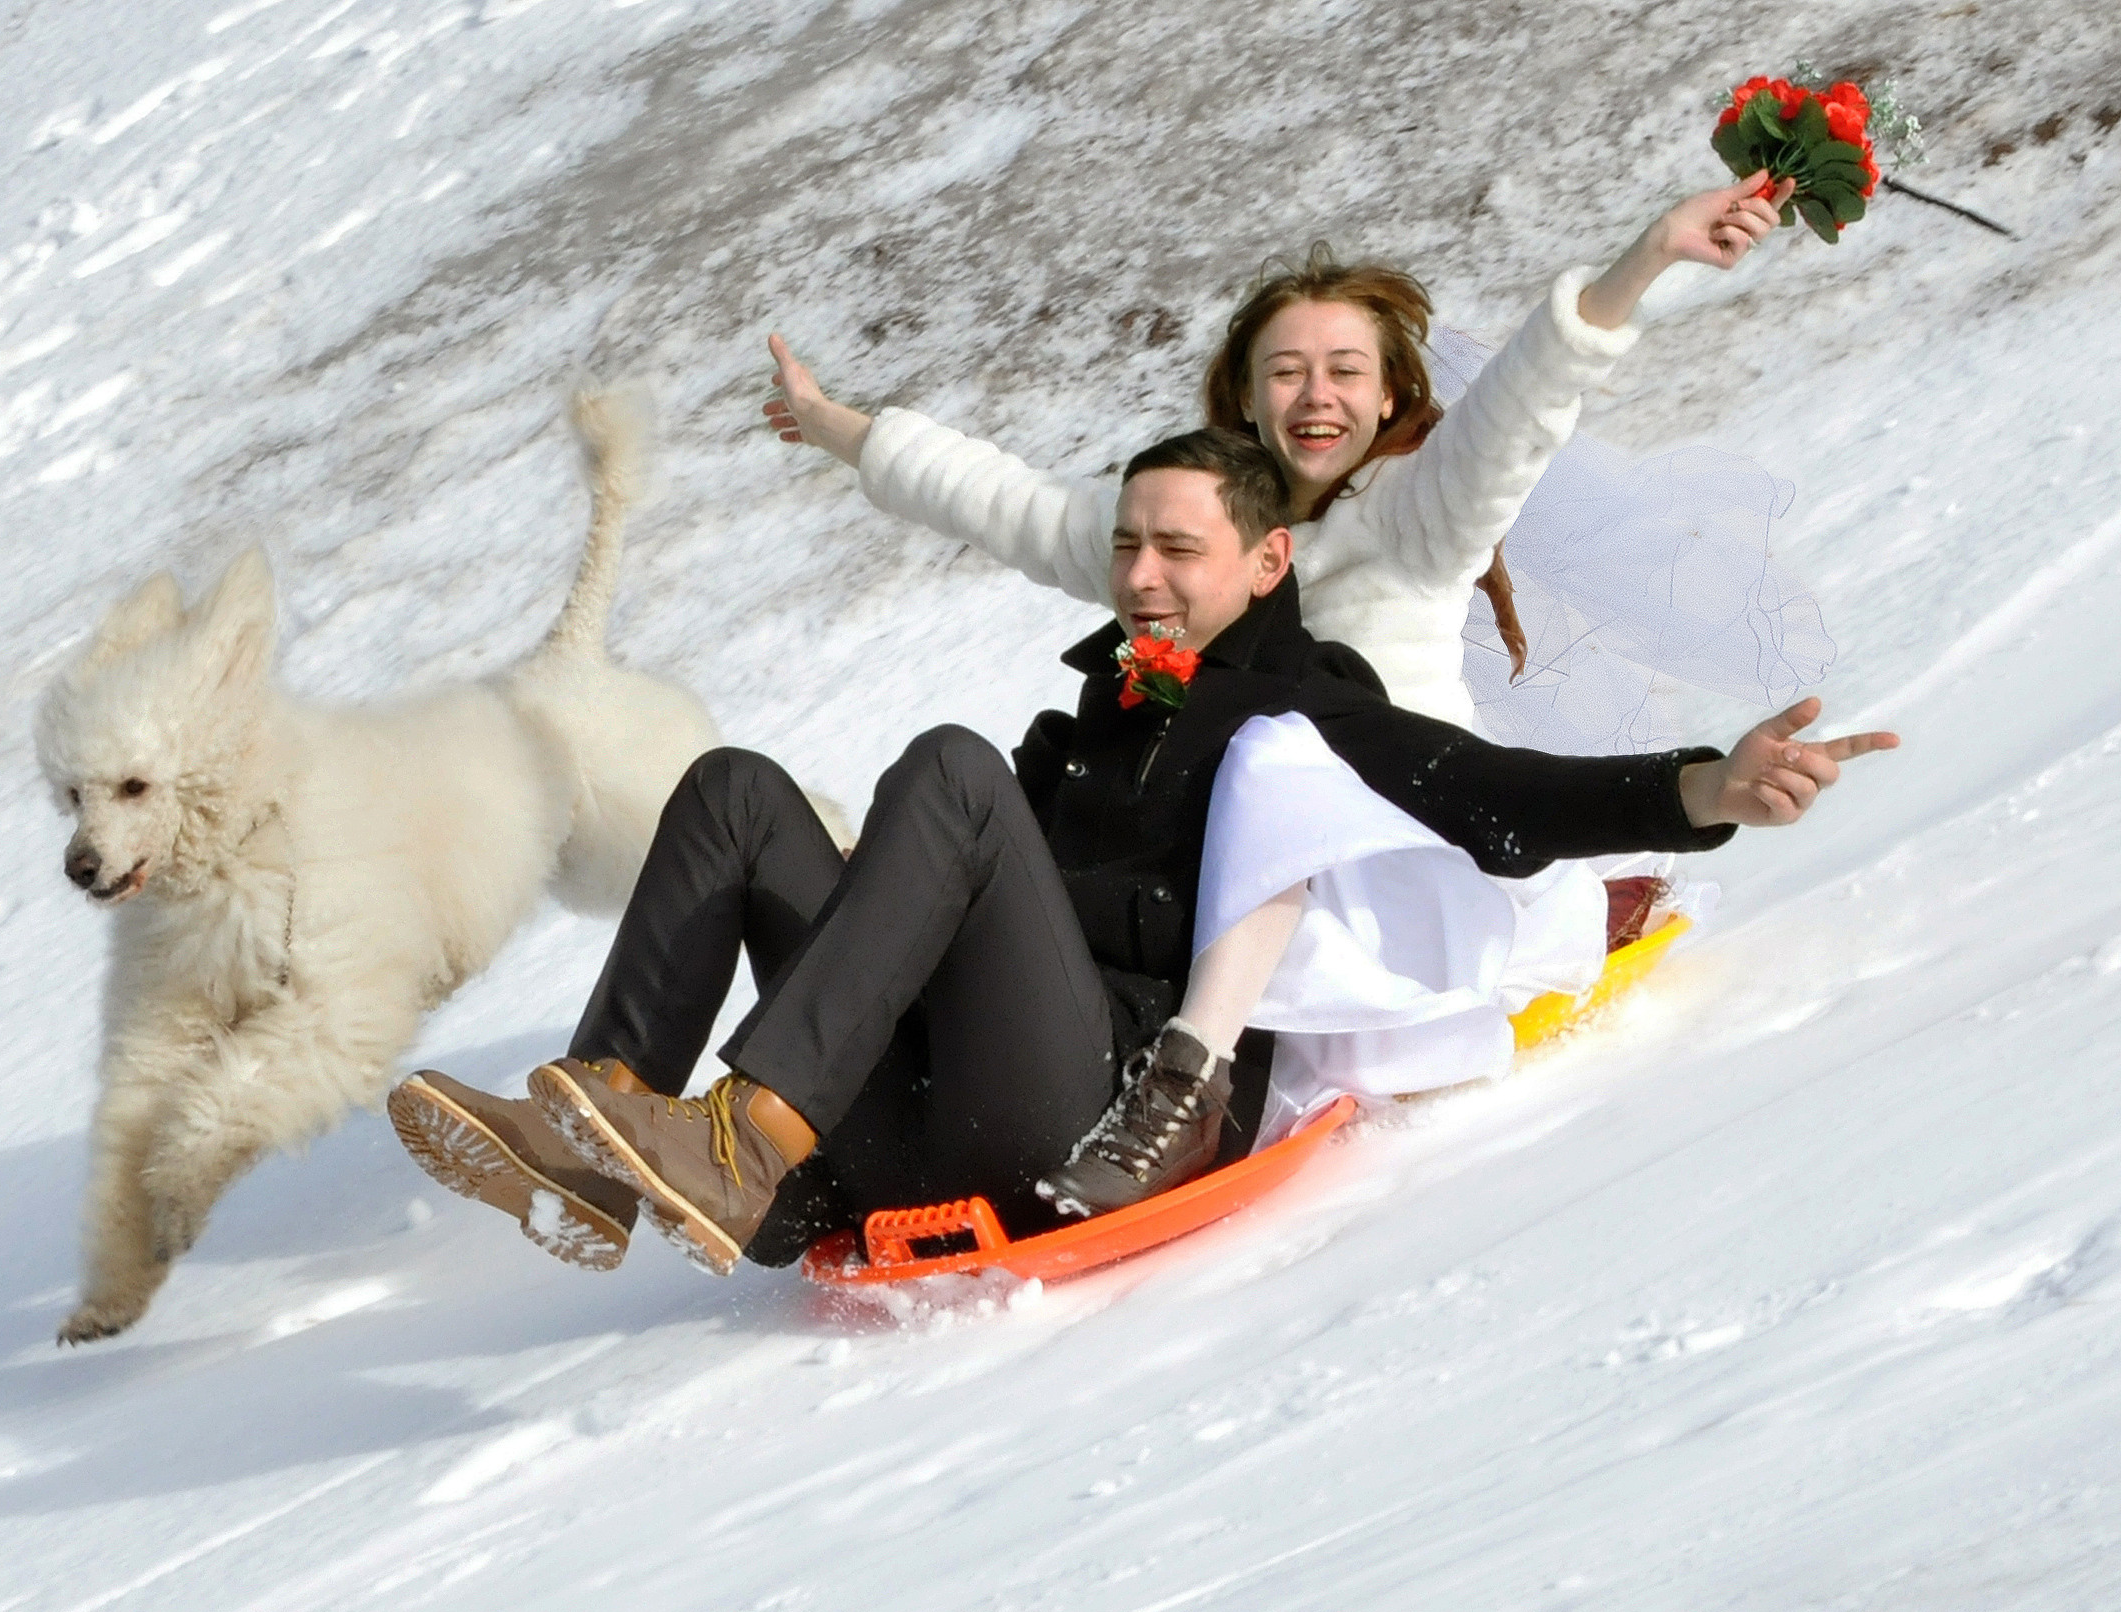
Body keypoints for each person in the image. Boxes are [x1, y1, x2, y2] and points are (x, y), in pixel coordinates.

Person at [391, 429, 1894, 1272]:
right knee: (729, 785)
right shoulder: (1079, 720)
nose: (1145, 574)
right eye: (1128, 544)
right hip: (913, 1114)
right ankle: (602, 1133)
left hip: (1091, 1105)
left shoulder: (1309, 706)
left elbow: (1499, 794)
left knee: (949, 771)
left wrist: (1709, 785)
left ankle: (749, 1136)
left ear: (1266, 560)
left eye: (1180, 548)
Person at [763, 172, 1810, 740]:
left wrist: (1648, 255)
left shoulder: (1420, 516)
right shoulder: (1181, 532)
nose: (1316, 397)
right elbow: (1000, 501)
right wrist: (832, 427)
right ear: (1245, 395)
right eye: (1286, 372)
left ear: (1393, 392)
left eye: (1345, 372)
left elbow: (1526, 398)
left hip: (1401, 843)